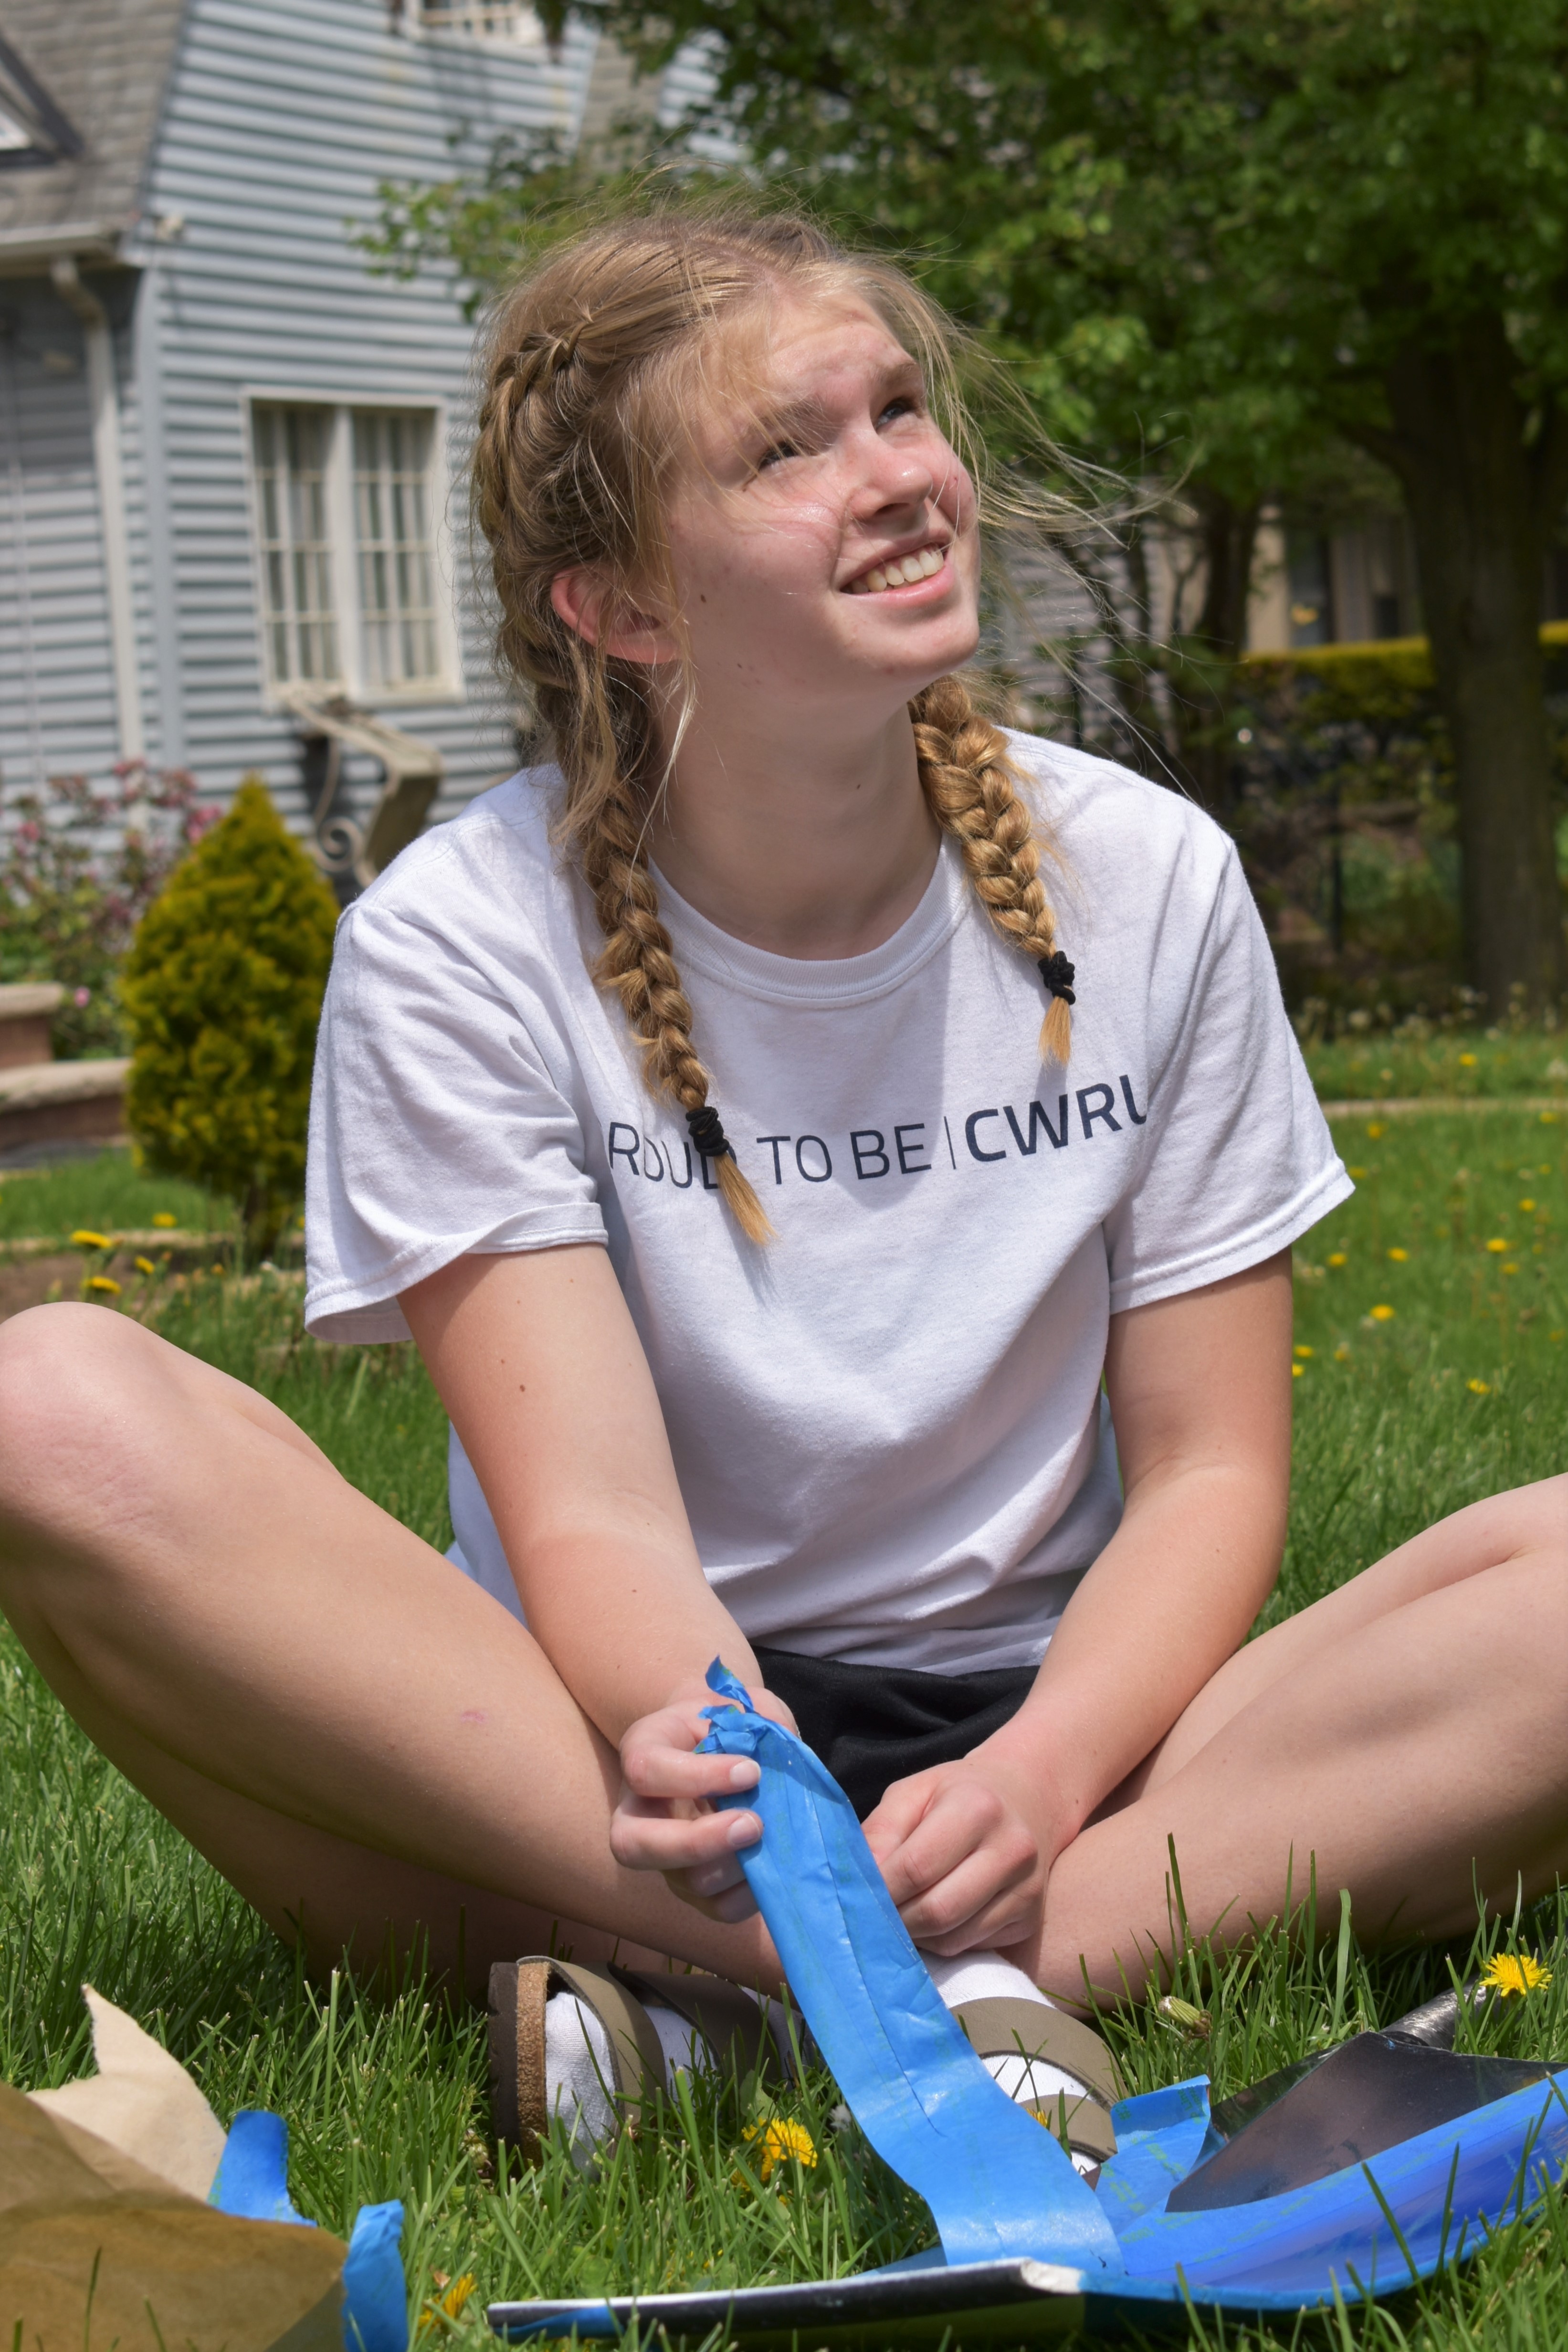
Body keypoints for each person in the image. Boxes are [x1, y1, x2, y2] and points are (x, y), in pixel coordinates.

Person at [0, 211, 1562, 2113]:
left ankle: (747, 2007)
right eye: (784, 449)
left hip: (1075, 1738)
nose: (897, 474)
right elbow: (596, 1528)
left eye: (897, 407)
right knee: (46, 1410)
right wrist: (723, 1768)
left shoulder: (1149, 877)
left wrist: (1041, 1772)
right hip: (621, 1756)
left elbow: (1214, 1468)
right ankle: (917, 1977)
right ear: (623, 609)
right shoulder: (457, 944)